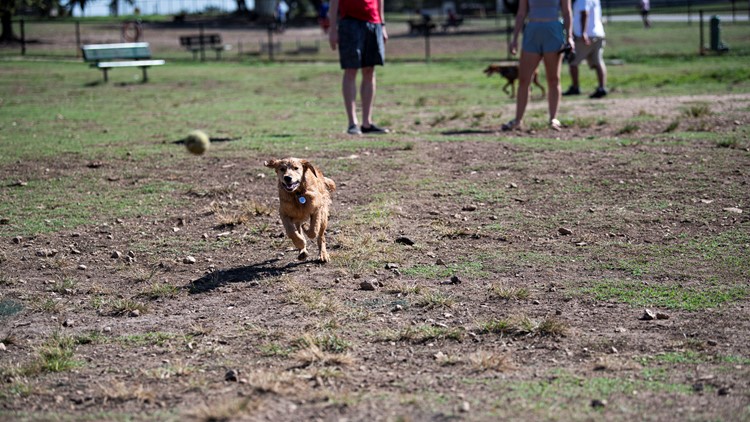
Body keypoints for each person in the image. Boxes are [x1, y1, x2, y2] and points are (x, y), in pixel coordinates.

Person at [502, 0, 574, 131]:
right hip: (532, 31)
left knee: (553, 79)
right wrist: (514, 39)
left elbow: (567, 12)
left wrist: (569, 36)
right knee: (524, 80)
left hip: (554, 31)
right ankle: (518, 120)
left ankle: (553, 118)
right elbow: (521, 13)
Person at [328, 0, 389, 135]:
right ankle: (352, 123)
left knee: (369, 70)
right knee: (351, 70)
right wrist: (332, 29)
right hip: (350, 22)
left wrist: (382, 24)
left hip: (374, 22)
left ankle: (367, 123)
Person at [562, 0, 607, 98]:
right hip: (598, 33)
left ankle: (575, 87)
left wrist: (583, 33)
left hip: (585, 36)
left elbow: (584, 13)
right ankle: (602, 87)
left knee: (573, 61)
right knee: (599, 62)